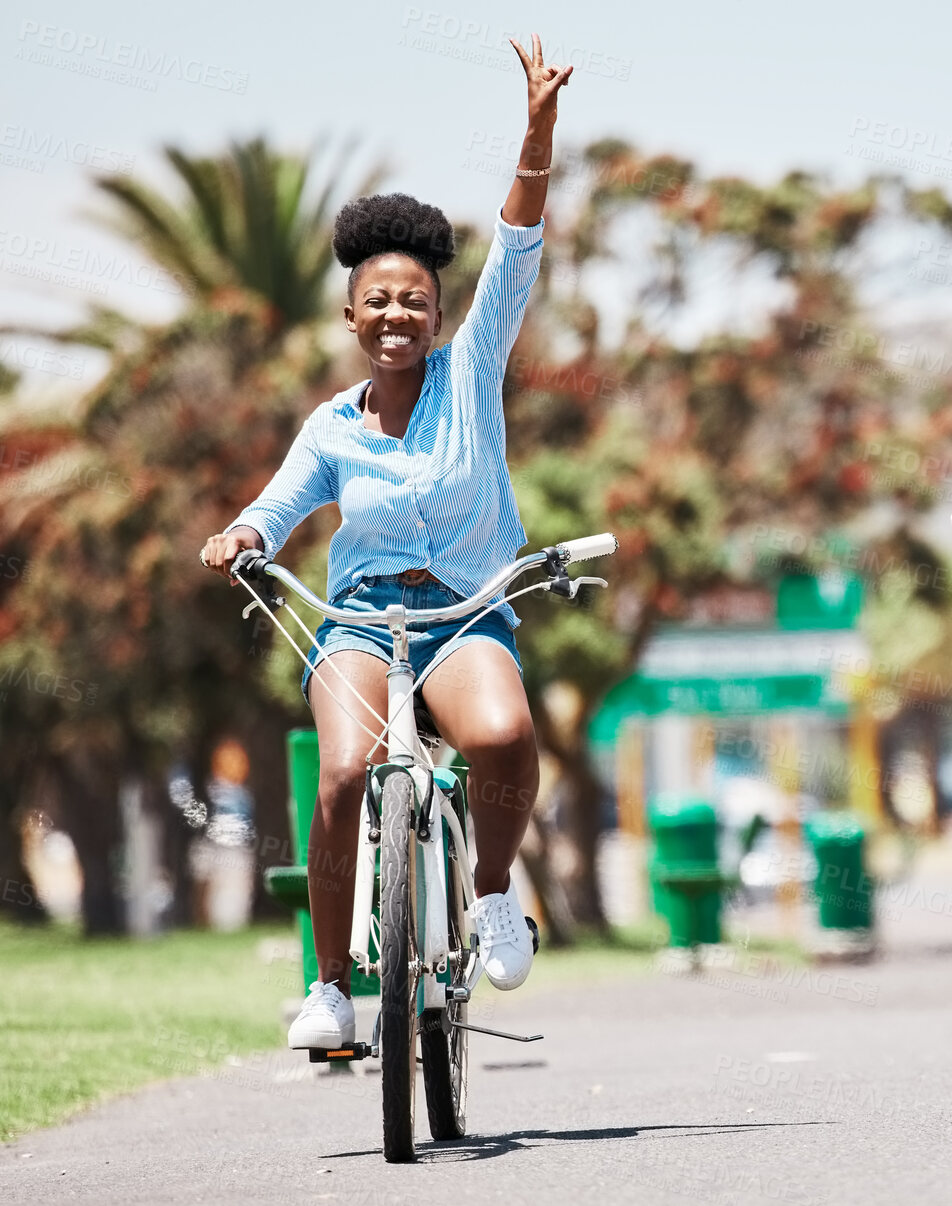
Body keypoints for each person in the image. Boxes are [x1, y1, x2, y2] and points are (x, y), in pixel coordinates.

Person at [200, 36, 574, 1047]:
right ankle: (329, 989)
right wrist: (243, 532)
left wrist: (536, 129)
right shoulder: (331, 427)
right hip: (361, 621)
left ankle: (493, 890)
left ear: (441, 312)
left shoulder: (470, 370)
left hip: (462, 613)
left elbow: (519, 240)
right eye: (378, 300)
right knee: (343, 774)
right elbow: (279, 506)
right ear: (352, 316)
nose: (396, 312)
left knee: (499, 736)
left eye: (414, 298)